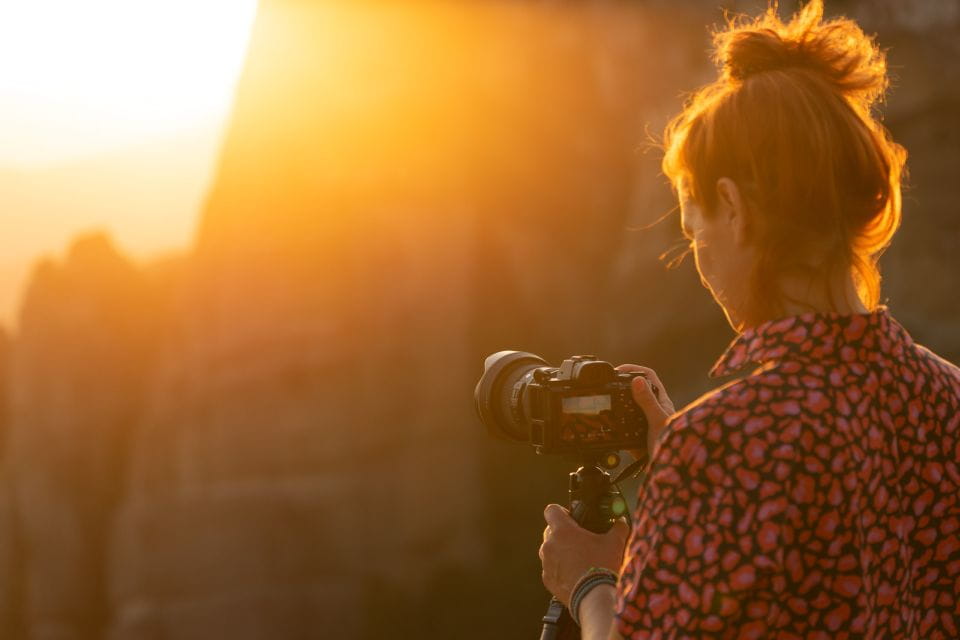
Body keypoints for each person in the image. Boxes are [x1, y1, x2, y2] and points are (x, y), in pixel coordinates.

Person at [537, 1, 960, 638]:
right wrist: (686, 477)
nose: (699, 262)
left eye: (692, 230)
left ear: (733, 208)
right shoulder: (947, 397)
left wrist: (592, 583)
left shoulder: (725, 445)